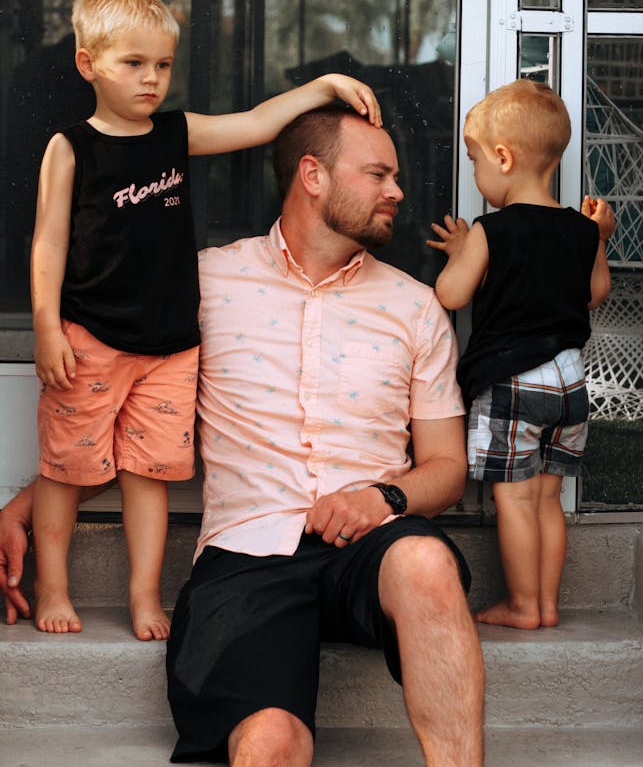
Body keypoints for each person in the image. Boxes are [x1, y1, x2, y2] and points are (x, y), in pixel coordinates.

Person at [1, 107, 485, 767]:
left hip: (370, 546)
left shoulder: (414, 305)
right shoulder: (204, 283)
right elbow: (136, 421)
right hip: (245, 555)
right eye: (378, 173)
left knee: (425, 561)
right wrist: (27, 506)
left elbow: (446, 468)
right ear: (311, 175)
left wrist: (385, 498)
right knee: (270, 743)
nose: (397, 190)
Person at [28, 0, 382, 643]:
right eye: (133, 63)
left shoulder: (175, 134)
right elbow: (48, 240)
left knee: (149, 472)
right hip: (90, 338)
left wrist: (322, 86)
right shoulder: (71, 146)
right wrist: (47, 325)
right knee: (65, 469)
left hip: (169, 345)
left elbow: (253, 124)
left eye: (162, 64)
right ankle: (52, 584)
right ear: (88, 64)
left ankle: (141, 595)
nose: (151, 78)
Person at [427, 78, 615, 631]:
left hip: (515, 380)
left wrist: (464, 252)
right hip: (570, 382)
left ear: (503, 158)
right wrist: (599, 238)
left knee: (514, 500)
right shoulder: (580, 231)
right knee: (548, 500)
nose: (475, 175)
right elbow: (595, 293)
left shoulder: (492, 229)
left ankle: (521, 605)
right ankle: (549, 605)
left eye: (475, 161)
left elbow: (450, 295)